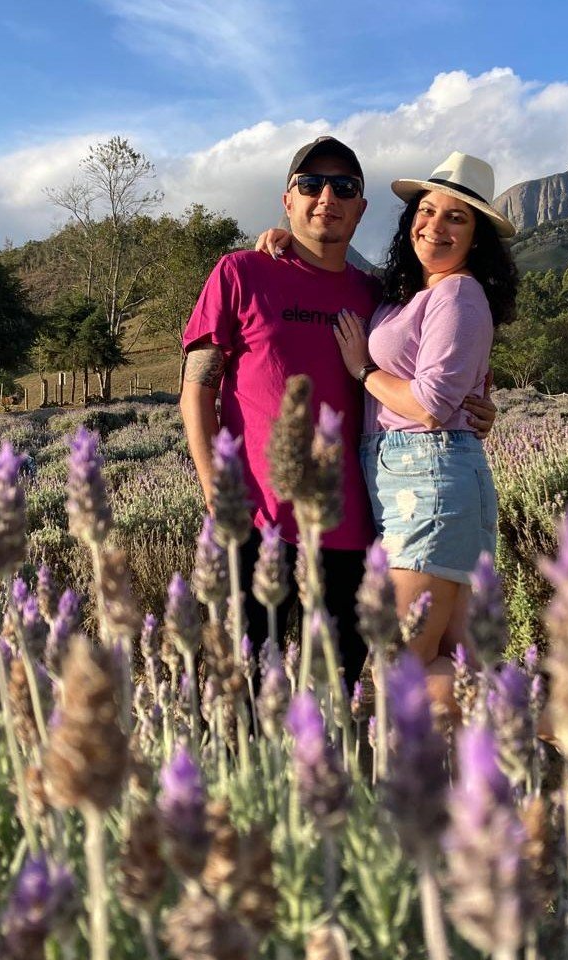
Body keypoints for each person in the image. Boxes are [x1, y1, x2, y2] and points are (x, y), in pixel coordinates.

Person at [180, 138, 498, 691]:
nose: (327, 196)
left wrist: (477, 408)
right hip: (256, 520)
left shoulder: (378, 296)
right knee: (240, 692)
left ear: (361, 208)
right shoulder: (241, 272)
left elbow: (436, 366)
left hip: (355, 529)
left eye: (344, 187)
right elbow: (196, 389)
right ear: (288, 199)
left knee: (344, 695)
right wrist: (214, 489)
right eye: (310, 184)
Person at [260, 151, 518, 712]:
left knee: (397, 668)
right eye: (427, 211)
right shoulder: (411, 293)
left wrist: (363, 371)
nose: (436, 225)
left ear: (477, 237)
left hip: (429, 481)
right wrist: (286, 241)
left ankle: (560, 710)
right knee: (458, 661)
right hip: (417, 480)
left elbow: (429, 405)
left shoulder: (457, 293)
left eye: (456, 217)